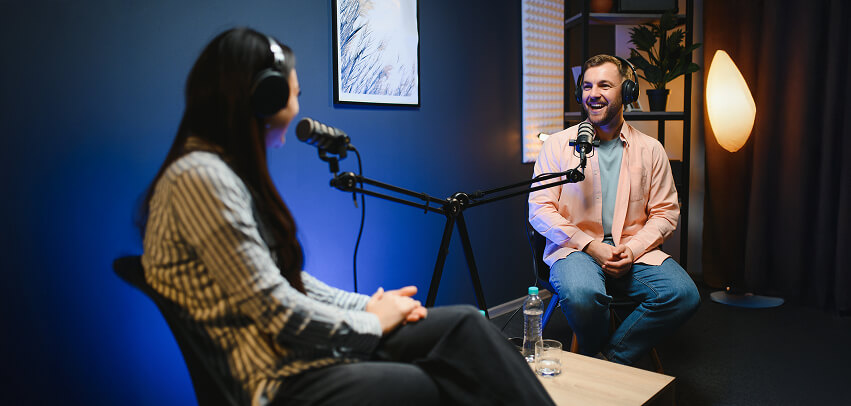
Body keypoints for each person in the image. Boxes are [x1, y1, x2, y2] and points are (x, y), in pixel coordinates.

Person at [138, 27, 554, 406]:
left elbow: (289, 282)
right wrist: (370, 323)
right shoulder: (201, 177)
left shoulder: (217, 172)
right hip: (276, 376)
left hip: (293, 353)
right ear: (263, 97)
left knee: (462, 323)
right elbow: (277, 310)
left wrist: (370, 306)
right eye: (294, 93)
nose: (299, 106)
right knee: (425, 382)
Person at [528, 54, 700, 366]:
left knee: (683, 295)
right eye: (587, 86)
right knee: (582, 296)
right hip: (575, 250)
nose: (593, 94)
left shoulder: (651, 150)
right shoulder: (556, 146)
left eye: (605, 85)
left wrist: (632, 249)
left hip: (633, 252)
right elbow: (539, 208)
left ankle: (607, 360)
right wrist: (591, 245)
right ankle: (609, 362)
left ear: (627, 93)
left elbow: (666, 212)